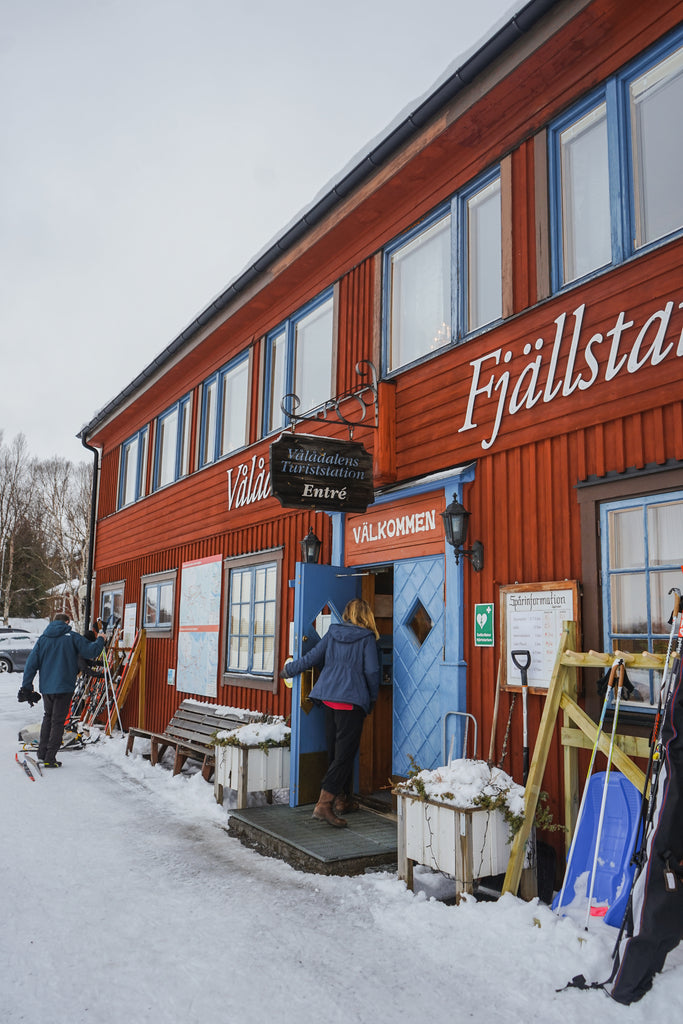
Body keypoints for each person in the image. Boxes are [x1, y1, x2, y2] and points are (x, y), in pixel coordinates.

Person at [280, 598, 381, 828]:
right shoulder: (367, 639)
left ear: (346, 613)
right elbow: (373, 672)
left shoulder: (333, 633)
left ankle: (343, 800)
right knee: (344, 756)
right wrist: (372, 699)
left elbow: (312, 658)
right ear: (367, 615)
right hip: (351, 703)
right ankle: (324, 804)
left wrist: (289, 669)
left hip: (328, 700)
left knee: (336, 753)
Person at [19, 613, 106, 767]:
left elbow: (31, 664)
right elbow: (91, 651)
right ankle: (50, 758)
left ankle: (42, 754)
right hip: (64, 686)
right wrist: (101, 639)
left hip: (47, 688)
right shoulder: (72, 637)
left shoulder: (43, 639)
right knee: (58, 721)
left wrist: (27, 686)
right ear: (66, 622)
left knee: (48, 717)